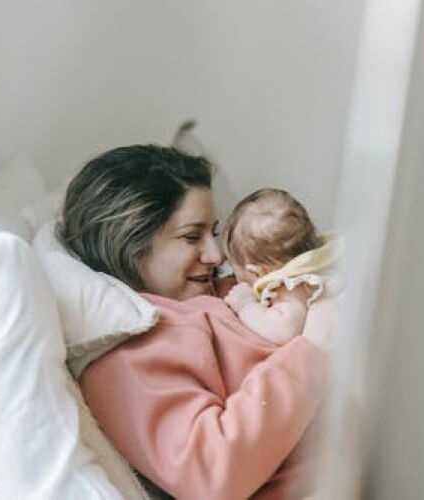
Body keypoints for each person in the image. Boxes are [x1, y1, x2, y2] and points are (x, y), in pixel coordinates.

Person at [56, 144, 335, 499]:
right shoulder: (129, 348)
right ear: (130, 243)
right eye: (191, 237)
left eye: (214, 233)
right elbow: (210, 473)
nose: (216, 254)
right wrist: (312, 348)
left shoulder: (215, 289)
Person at [222, 188, 340, 345]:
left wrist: (246, 306)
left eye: (234, 270)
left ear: (257, 274)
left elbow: (285, 331)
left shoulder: (289, 286)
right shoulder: (320, 260)